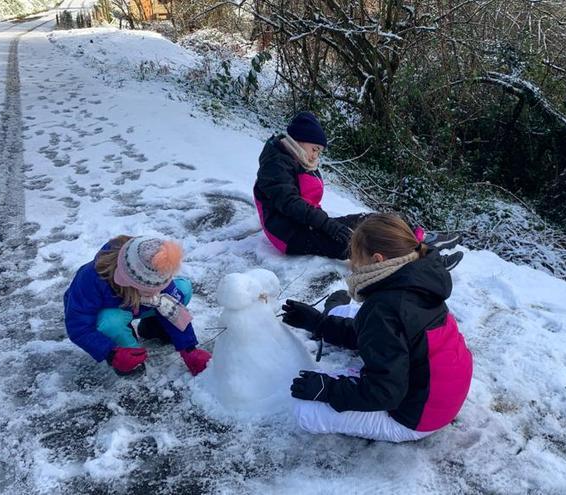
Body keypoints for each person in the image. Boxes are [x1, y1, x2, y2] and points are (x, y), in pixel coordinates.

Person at [281, 213, 473, 442]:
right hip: (440, 394)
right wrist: (318, 324)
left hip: (416, 417)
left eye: (354, 258)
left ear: (377, 260)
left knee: (305, 411)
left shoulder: (384, 308)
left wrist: (329, 389)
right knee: (356, 315)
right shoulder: (418, 278)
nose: (352, 265)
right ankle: (331, 313)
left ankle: (333, 314)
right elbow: (378, 332)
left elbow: (386, 392)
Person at [253, 111, 463, 263]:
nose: (315, 156)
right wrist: (328, 226)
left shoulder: (295, 158)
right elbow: (290, 203)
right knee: (355, 244)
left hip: (307, 223)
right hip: (289, 235)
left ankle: (419, 237)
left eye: (319, 151)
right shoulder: (276, 163)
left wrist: (327, 224)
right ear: (299, 140)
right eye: (314, 149)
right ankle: (421, 258)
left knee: (371, 221)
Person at [63, 235, 211, 377]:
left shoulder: (154, 265)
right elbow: (78, 327)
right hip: (113, 309)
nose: (157, 293)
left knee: (182, 290)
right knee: (110, 322)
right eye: (149, 291)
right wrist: (111, 353)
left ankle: (153, 327)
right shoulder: (90, 280)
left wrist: (189, 349)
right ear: (123, 280)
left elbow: (172, 307)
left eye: (159, 290)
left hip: (139, 305)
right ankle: (129, 353)